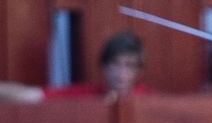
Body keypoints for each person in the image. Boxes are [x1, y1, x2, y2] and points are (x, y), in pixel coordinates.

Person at [0, 31, 147, 103]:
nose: (121, 73)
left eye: (130, 66)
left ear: (139, 72)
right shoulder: (86, 94)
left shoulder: (151, 101)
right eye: (115, 64)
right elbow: (30, 95)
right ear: (104, 66)